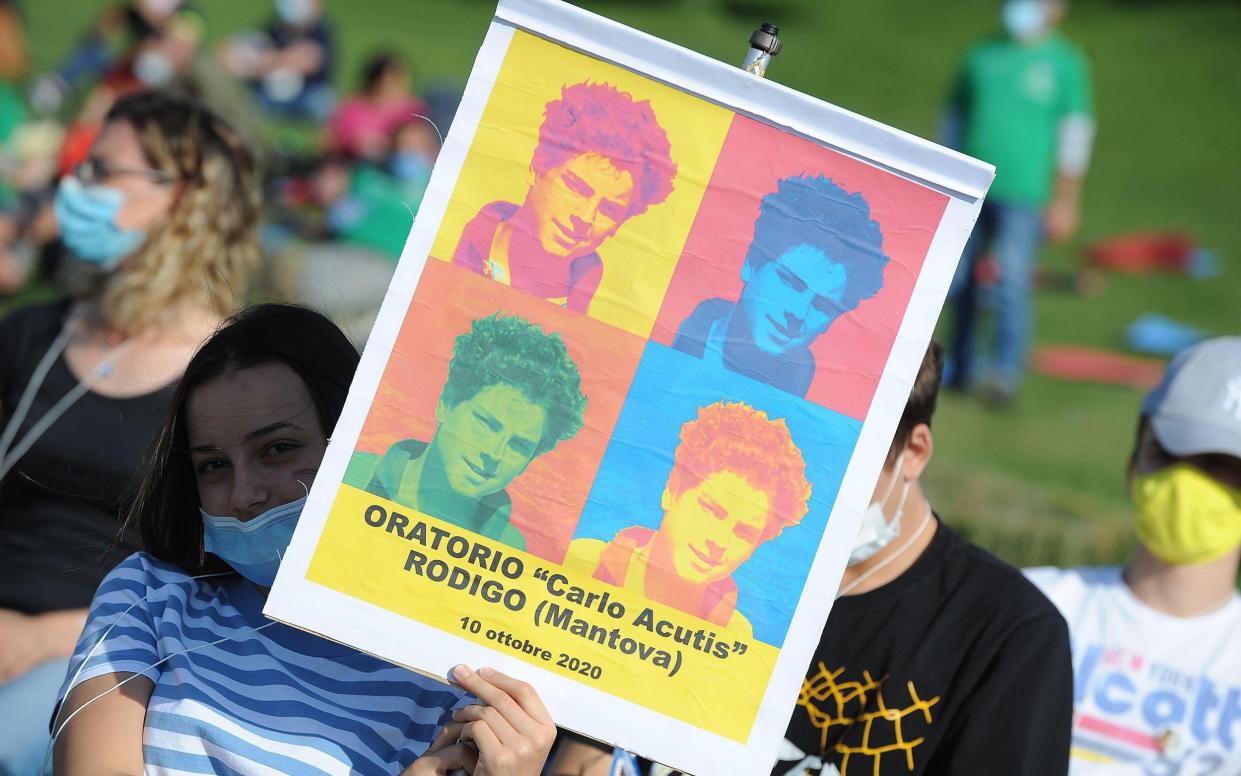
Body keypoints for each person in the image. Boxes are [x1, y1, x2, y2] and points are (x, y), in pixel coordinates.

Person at [51, 303, 557, 775]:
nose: (245, 493)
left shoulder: (464, 671)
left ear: (354, 437)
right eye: (213, 466)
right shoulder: (148, 593)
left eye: (278, 449)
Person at [551, 341, 1074, 775]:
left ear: (913, 452)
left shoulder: (1009, 635)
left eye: (843, 467)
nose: (814, 501)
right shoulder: (698, 579)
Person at [0, 89, 259, 775]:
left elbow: (226, 574)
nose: (74, 185)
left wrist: (44, 635)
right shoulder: (32, 335)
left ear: (183, 199)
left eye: (100, 170)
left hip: (115, 652)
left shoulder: (230, 380)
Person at [1027, 337, 1241, 774]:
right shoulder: (1028, 605)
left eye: (1220, 465)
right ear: (1133, 466)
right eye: (1167, 452)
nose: (1185, 481)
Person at [942, 0, 1094, 403]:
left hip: (1024, 194)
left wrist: (1066, 198)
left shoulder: (1065, 63)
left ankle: (1004, 374)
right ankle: (961, 364)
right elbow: (954, 117)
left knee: (1010, 280)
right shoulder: (981, 54)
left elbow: (1074, 134)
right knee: (959, 279)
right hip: (970, 187)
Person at [345, 313, 588, 551]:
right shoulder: (347, 475)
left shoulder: (510, 550)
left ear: (529, 461)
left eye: (518, 445)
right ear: (446, 404)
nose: (494, 452)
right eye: (486, 423)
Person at [564, 400, 810, 636]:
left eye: (743, 533)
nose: (719, 540)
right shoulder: (582, 562)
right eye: (711, 511)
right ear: (672, 489)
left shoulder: (735, 634)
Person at [451, 81, 677, 313]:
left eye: (609, 209)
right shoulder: (447, 234)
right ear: (537, 168)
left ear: (620, 225)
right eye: (576, 188)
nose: (585, 217)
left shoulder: (604, 310)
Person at [671, 175, 889, 398]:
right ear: (751, 264)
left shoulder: (814, 410)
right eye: (791, 282)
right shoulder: (668, 329)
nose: (796, 313)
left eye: (823, 305)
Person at [219, 0, 335, 121]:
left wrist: (263, 63)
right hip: (269, 93)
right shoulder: (276, 26)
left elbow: (308, 60)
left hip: (306, 95)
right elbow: (243, 46)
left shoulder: (321, 32)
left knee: (323, 102)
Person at [325, 51, 429, 162]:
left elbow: (423, 145)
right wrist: (354, 142)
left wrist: (387, 144)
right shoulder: (353, 106)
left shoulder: (412, 108)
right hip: (354, 163)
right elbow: (329, 140)